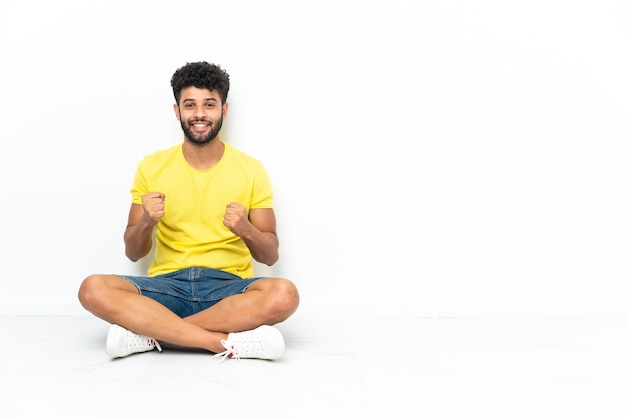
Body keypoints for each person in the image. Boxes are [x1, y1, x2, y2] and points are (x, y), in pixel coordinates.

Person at [78, 61, 299, 361]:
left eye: (209, 104)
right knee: (92, 289)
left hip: (228, 290)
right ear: (177, 111)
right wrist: (146, 221)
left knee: (285, 294)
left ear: (224, 110)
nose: (199, 114)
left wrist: (246, 229)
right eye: (190, 105)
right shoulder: (151, 167)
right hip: (167, 288)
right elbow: (133, 252)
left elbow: (270, 256)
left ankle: (151, 335)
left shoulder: (251, 170)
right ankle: (220, 343)